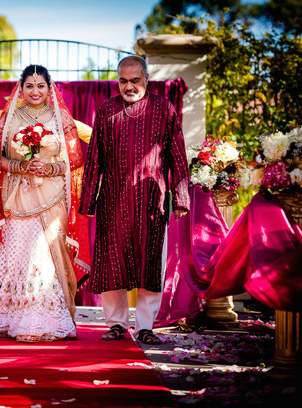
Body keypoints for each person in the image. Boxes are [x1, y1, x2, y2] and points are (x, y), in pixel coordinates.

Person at [79, 55, 190, 344]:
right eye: (123, 81)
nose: (128, 86)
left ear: (146, 79)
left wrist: (180, 198)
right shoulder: (106, 111)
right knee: (112, 261)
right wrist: (88, 201)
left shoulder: (164, 109)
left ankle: (145, 326)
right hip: (113, 201)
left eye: (134, 80)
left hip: (152, 201)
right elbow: (94, 160)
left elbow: (177, 154)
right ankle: (116, 323)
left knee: (149, 263)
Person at [0, 64, 90, 342]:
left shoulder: (59, 118)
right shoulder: (11, 118)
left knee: (46, 257)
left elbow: (75, 159)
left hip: (52, 197)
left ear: (49, 88)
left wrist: (49, 169)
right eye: (29, 85)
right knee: (19, 254)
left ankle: (48, 320)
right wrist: (22, 166)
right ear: (21, 88)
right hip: (19, 196)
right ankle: (13, 320)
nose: (35, 90)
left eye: (41, 85)